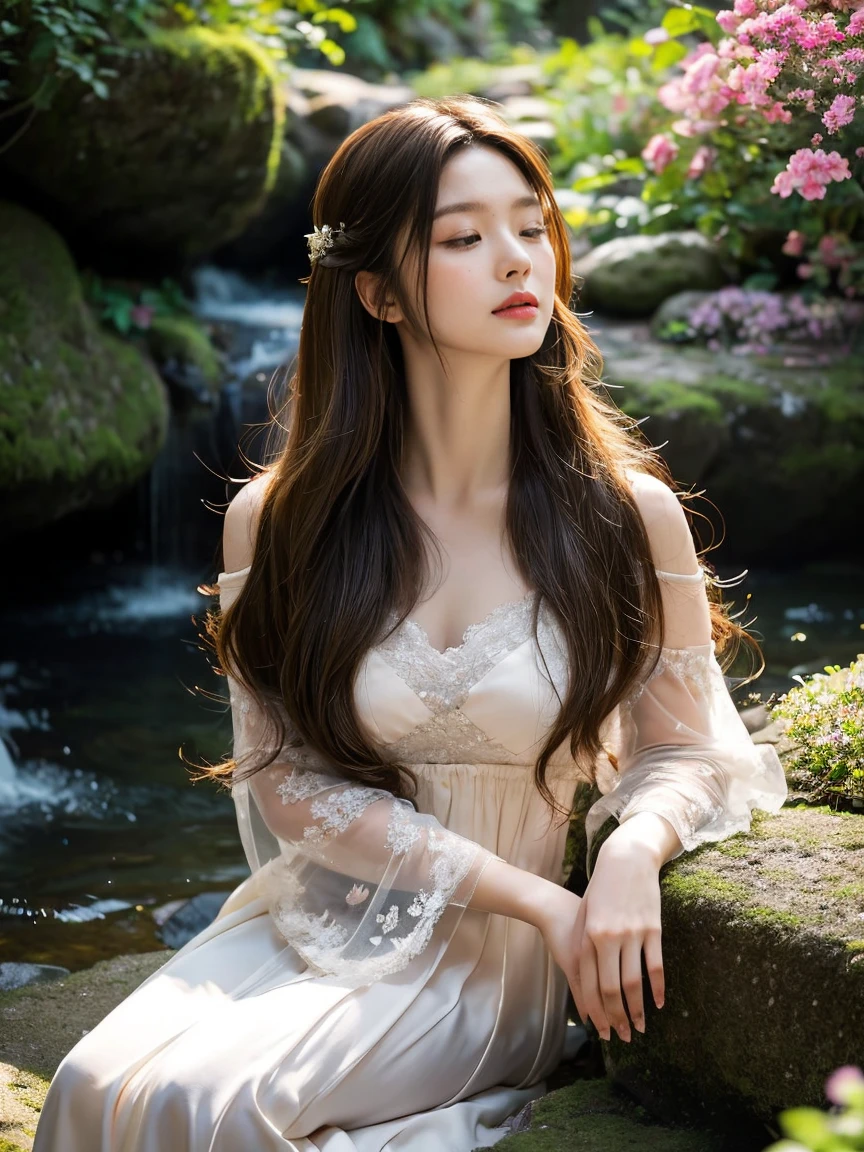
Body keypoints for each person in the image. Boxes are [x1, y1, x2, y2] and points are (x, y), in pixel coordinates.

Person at [33, 94, 788, 1152]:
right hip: (325, 922)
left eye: (531, 225)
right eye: (465, 238)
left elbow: (696, 751)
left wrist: (623, 858)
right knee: (95, 1084)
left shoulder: (621, 511)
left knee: (212, 1108)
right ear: (380, 293)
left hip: (501, 961)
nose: (520, 261)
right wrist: (529, 893)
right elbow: (284, 779)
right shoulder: (280, 520)